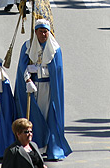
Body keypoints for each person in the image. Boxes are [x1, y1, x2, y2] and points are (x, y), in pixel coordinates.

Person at [13, 19, 72, 159]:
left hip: (48, 88)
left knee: (48, 115)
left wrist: (39, 70)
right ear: (36, 32)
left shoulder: (55, 48)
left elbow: (56, 70)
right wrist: (27, 79)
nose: (43, 34)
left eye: (46, 31)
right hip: (33, 87)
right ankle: (35, 145)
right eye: (41, 31)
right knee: (34, 116)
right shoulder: (27, 46)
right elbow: (22, 66)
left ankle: (50, 147)